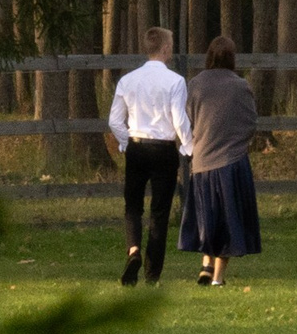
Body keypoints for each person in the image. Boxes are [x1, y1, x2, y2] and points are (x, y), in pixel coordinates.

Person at [105, 26, 192, 286]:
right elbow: (179, 119)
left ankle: (133, 250)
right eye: (171, 45)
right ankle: (152, 274)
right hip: (163, 149)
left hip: (137, 146)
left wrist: (125, 143)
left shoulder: (128, 80)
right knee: (159, 212)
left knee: (132, 206)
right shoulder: (175, 81)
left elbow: (114, 120)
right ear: (165, 48)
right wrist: (188, 147)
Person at [177, 35, 261, 286]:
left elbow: (186, 118)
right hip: (231, 161)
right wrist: (239, 143)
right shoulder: (240, 86)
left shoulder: (196, 84)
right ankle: (218, 277)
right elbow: (250, 121)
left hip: (202, 161)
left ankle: (205, 264)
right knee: (229, 220)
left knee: (208, 217)